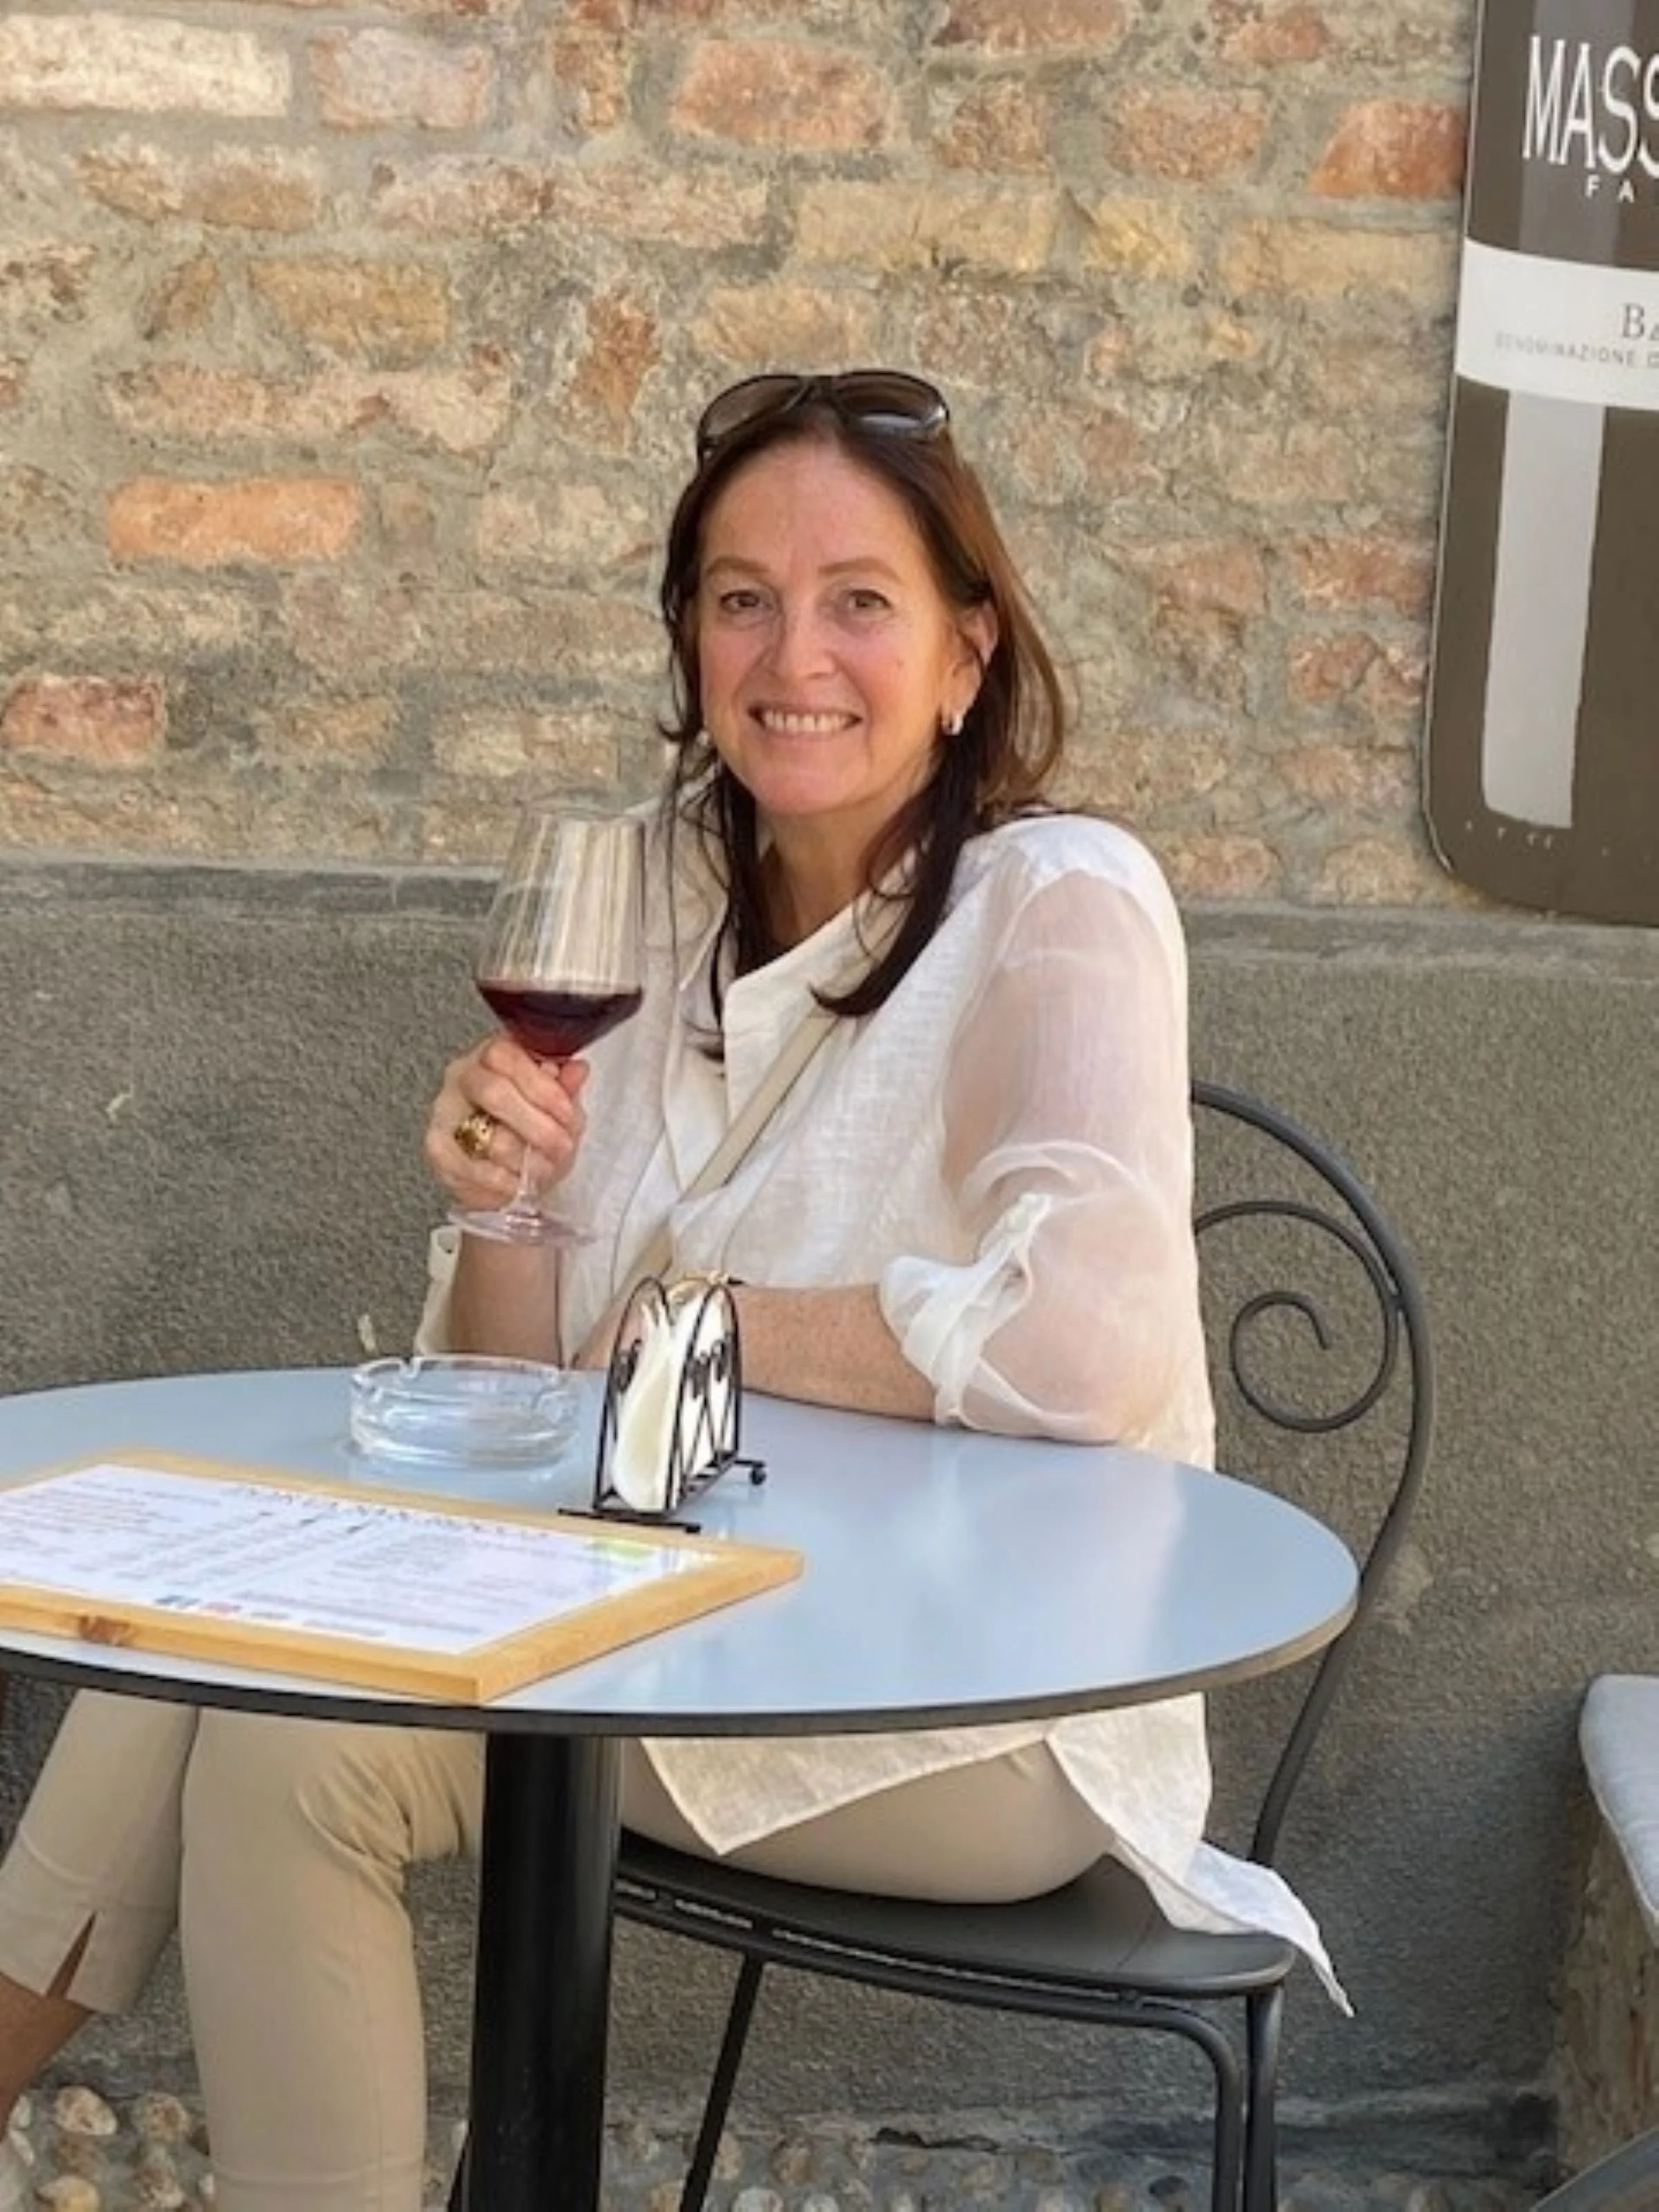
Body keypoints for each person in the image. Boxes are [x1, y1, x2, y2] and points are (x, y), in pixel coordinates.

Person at [0, 370, 1335, 2212]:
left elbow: (1088, 1346)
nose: (796, 651)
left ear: (965, 656)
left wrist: (693, 1335)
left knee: (294, 1747)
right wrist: (501, 1208)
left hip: (973, 1705)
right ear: (691, 641)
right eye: (739, 596)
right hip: (649, 1618)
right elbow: (511, 1405)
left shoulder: (1057, 903)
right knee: (225, 1625)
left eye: (861, 597)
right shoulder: (635, 906)